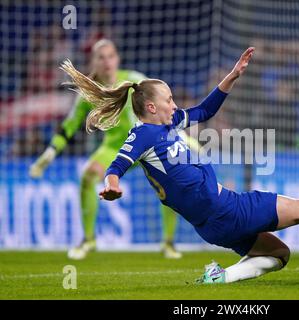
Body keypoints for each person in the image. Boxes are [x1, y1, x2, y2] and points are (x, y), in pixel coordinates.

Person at [59, 47, 299, 284]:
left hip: (211, 224)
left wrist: (233, 76)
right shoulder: (145, 134)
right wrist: (112, 182)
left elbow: (204, 111)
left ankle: (221, 277)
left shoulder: (168, 125)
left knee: (279, 254)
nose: (174, 103)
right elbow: (118, 163)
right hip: (226, 209)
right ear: (151, 107)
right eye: (168, 99)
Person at [29, 39, 186, 260]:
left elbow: (164, 106)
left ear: (117, 59)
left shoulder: (135, 80)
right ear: (93, 61)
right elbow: (71, 124)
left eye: (111, 56)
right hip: (115, 148)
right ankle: (89, 240)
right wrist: (51, 152)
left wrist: (180, 134)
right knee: (88, 176)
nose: (107, 62)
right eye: (101, 57)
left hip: (147, 144)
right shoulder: (89, 93)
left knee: (170, 182)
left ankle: (168, 243)